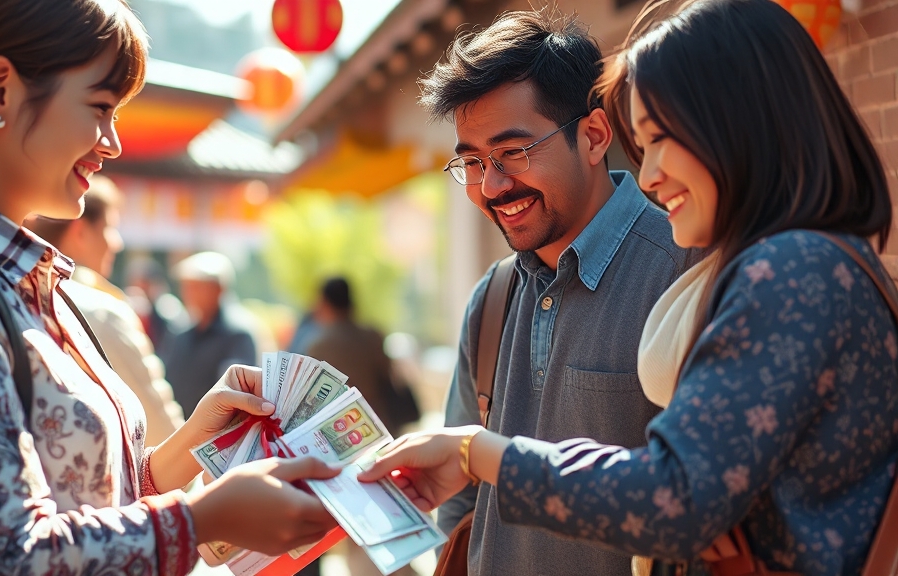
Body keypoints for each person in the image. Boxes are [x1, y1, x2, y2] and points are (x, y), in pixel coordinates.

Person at [358, 1, 898, 574]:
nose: (648, 173)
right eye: (472, 162)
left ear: (743, 126)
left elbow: (676, 496)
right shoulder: (806, 264)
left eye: (663, 138)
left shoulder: (780, 272)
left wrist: (478, 451)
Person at [0, 2, 339, 574]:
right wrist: (203, 520)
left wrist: (192, 442)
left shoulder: (10, 272)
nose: (112, 142)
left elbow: (89, 496)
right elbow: (4, 557)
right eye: (99, 108)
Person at [424, 9, 694, 576]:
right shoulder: (492, 299)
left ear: (593, 136)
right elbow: (460, 498)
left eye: (514, 152)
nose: (492, 186)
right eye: (471, 161)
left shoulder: (683, 274)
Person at [25, 176, 185, 447]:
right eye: (110, 228)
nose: (117, 243)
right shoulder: (104, 311)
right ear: (81, 231)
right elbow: (160, 429)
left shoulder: (17, 292)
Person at [160, 251, 260, 417]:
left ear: (219, 289)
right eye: (186, 286)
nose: (189, 293)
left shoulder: (238, 334)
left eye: (197, 287)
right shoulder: (180, 333)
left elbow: (235, 393)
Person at [305, 277, 406, 436]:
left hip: (338, 429)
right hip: (378, 422)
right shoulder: (373, 336)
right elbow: (389, 375)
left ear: (325, 303)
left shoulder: (318, 345)